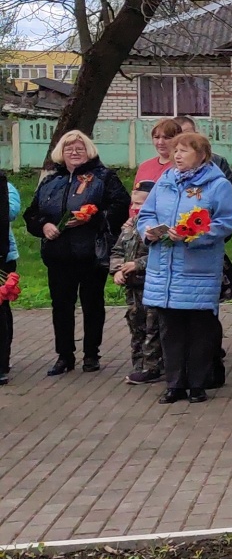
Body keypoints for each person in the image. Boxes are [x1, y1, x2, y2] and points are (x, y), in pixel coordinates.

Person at [136, 132, 232, 404]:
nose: (177, 155)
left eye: (184, 150)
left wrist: (194, 235)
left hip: (197, 269)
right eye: (175, 150)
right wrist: (149, 231)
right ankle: (174, 384)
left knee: (199, 331)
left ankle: (198, 384)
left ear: (201, 155)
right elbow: (145, 214)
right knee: (170, 330)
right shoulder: (165, 181)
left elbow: (225, 222)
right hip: (165, 270)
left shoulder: (217, 185)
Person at [27, 130, 129, 376]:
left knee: (92, 304)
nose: (74, 153)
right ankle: (64, 356)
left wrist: (92, 218)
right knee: (61, 306)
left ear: (89, 151)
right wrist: (44, 225)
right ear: (61, 152)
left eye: (79, 149)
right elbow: (31, 214)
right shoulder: (51, 180)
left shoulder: (103, 176)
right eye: (69, 149)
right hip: (58, 254)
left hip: (91, 252)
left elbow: (120, 206)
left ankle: (91, 354)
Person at [112, 218, 161, 385]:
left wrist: (139, 264)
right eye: (134, 203)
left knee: (153, 327)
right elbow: (117, 251)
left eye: (140, 203)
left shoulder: (158, 225)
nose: (136, 207)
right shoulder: (130, 226)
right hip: (133, 289)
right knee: (136, 325)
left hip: (152, 285)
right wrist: (117, 270)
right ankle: (139, 365)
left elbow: (162, 252)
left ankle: (152, 367)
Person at [132, 118, 180, 216]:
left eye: (166, 138)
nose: (160, 142)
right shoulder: (144, 166)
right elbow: (135, 199)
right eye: (156, 137)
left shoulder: (182, 167)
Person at [0, 177, 17, 384]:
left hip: (2, 258)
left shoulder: (5, 186)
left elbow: (9, 213)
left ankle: (2, 364)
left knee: (2, 311)